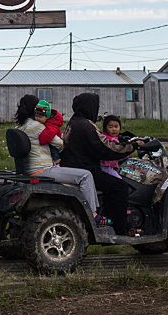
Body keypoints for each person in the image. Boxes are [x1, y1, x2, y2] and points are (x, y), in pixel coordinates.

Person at [15, 94, 107, 226]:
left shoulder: (22, 126)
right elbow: (60, 144)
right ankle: (92, 214)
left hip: (28, 170)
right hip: (42, 170)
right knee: (86, 176)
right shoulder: (37, 126)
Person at [61, 93, 138, 235]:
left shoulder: (73, 122)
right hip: (85, 168)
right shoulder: (86, 125)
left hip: (73, 166)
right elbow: (105, 148)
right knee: (120, 187)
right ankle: (120, 229)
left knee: (111, 185)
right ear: (89, 106)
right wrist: (131, 147)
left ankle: (108, 219)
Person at [35, 99, 63, 163]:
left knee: (53, 149)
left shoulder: (52, 125)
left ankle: (56, 161)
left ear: (47, 116)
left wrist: (39, 138)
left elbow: (44, 139)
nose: (37, 119)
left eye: (39, 117)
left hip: (55, 148)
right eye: (36, 116)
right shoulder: (48, 121)